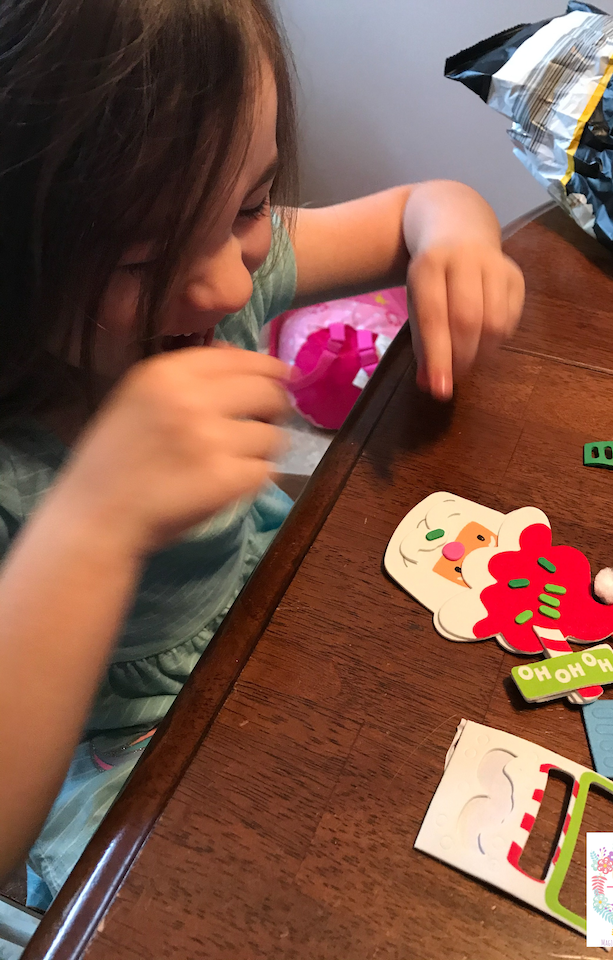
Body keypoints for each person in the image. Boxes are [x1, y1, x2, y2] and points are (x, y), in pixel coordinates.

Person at [0, 0, 524, 909]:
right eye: (141, 261)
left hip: (267, 608)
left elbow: (422, 204)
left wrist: (456, 238)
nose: (234, 281)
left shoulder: (205, 274)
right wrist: (87, 529)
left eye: (247, 206)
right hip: (112, 747)